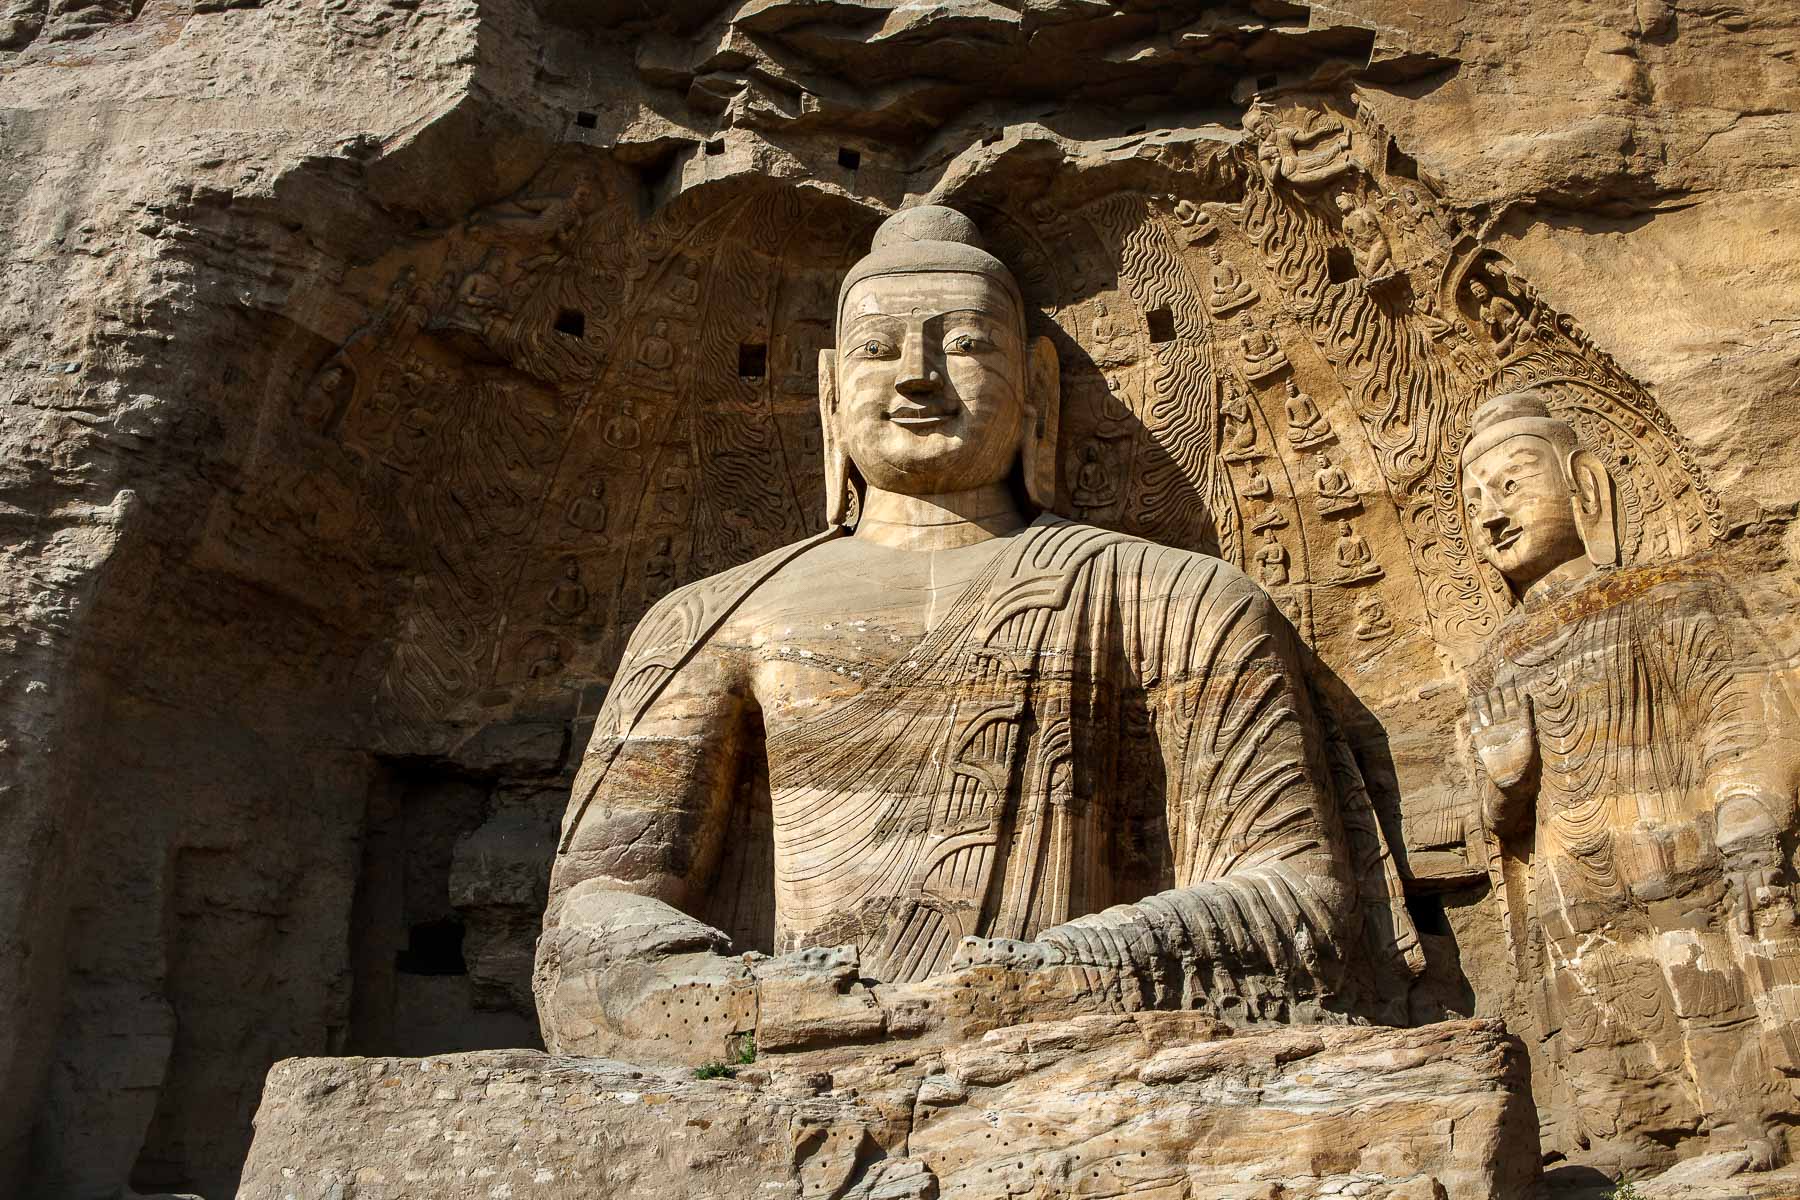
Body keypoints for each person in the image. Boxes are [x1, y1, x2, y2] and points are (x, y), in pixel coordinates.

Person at [536, 205, 1417, 1063]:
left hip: (1081, 1060)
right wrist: (755, 1002)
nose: (918, 376)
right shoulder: (717, 618)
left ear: (1037, 385)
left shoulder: (1177, 598)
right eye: (878, 350)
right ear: (830, 392)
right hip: (790, 1050)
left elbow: (1298, 902)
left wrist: (1055, 974)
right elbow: (590, 920)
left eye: (963, 344)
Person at [1462, 389, 1800, 1172]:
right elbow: (1499, 817)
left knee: (1702, 978)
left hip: (1675, 842)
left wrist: (1745, 811)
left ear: (1585, 485)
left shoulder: (1667, 594)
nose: (1492, 516)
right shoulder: (1495, 660)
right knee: (1597, 1001)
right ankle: (1629, 1137)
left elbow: (1735, 709)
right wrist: (1505, 780)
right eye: (1475, 503)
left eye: (1511, 485)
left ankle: (1749, 1120)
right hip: (1569, 880)